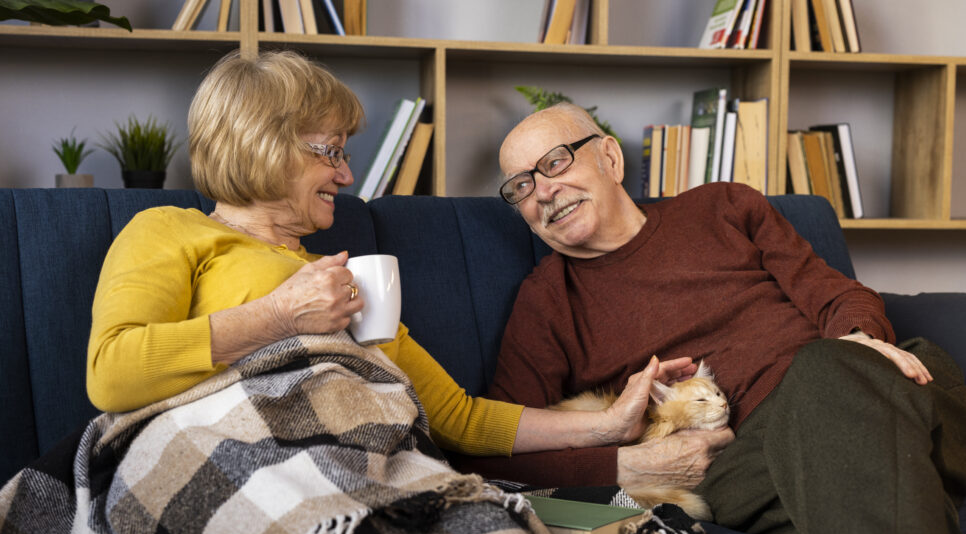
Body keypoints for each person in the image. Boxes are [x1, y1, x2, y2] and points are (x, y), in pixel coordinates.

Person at [483, 102, 966, 534]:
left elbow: (836, 294)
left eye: (555, 163)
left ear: (611, 158)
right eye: (521, 186)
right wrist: (625, 465)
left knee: (829, 370)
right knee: (884, 482)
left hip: (881, 387)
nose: (543, 191)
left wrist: (859, 342)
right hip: (748, 462)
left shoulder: (722, 207)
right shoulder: (546, 303)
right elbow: (496, 454)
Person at [85, 50, 695, 462]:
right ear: (262, 143)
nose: (346, 175)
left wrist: (610, 425)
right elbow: (111, 374)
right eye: (330, 152)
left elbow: (460, 417)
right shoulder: (169, 230)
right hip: (238, 458)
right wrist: (279, 316)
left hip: (360, 465)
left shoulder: (345, 279)